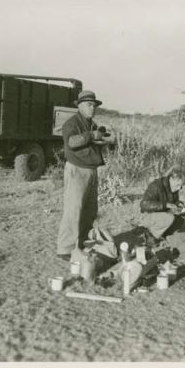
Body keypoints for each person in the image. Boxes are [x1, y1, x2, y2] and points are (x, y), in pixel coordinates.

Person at [56, 90, 115, 261]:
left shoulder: (91, 124)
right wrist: (91, 135)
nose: (93, 108)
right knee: (73, 210)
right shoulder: (71, 123)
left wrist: (110, 141)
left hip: (91, 170)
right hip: (77, 170)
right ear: (80, 105)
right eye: (89, 104)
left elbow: (95, 143)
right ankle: (65, 249)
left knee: (90, 210)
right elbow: (72, 142)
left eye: (94, 105)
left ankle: (81, 242)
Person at [140, 166, 185, 246]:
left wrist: (180, 207)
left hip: (161, 215)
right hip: (147, 216)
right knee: (169, 218)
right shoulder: (156, 186)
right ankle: (150, 235)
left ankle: (163, 234)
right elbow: (144, 204)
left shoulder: (174, 188)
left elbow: (173, 204)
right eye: (178, 184)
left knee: (180, 219)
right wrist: (165, 204)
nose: (180, 188)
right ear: (173, 179)